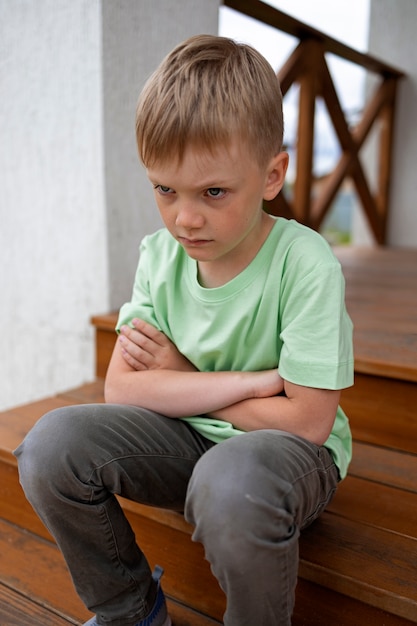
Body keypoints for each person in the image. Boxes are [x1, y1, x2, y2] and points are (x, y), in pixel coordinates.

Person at [15, 34, 354, 626]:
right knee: (49, 446)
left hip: (285, 466)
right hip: (186, 444)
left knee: (229, 483)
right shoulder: (159, 254)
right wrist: (251, 385)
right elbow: (125, 389)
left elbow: (306, 422)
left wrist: (182, 379)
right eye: (164, 189)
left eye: (214, 192)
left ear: (273, 174)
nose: (185, 218)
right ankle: (130, 611)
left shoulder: (305, 262)